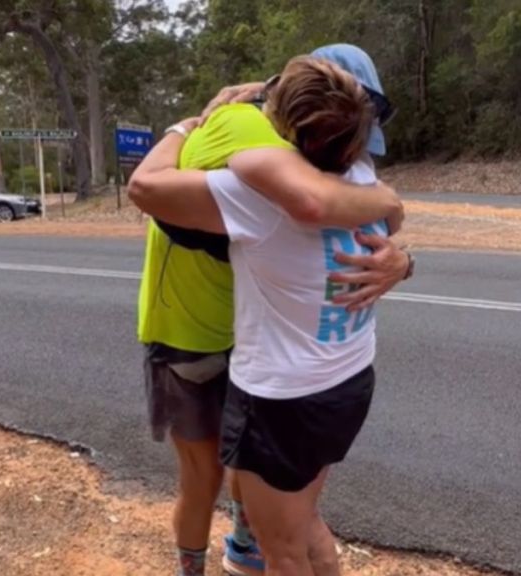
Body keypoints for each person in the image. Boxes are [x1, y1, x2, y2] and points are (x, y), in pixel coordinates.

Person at [132, 51, 411, 576]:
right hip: (341, 382)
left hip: (277, 390)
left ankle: (219, 555)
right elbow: (336, 203)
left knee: (278, 542)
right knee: (300, 523)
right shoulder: (360, 177)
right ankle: (239, 547)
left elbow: (145, 187)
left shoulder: (261, 184)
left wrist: (183, 125)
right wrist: (395, 222)